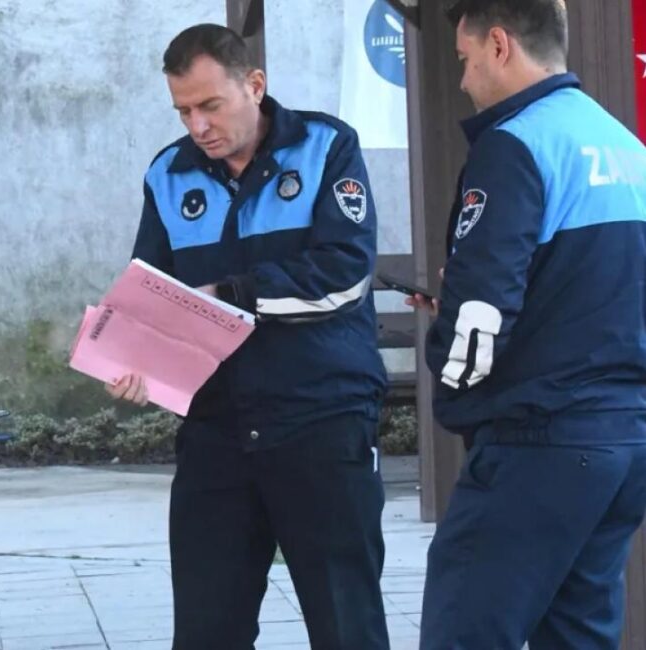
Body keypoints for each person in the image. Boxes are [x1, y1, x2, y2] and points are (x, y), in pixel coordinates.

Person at [108, 24, 389, 650]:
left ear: (254, 86)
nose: (197, 125)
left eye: (210, 105)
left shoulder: (325, 147)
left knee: (348, 628)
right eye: (183, 110)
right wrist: (130, 356)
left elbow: (344, 274)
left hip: (321, 420)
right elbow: (152, 291)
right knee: (207, 632)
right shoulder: (168, 173)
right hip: (216, 430)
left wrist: (232, 294)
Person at [409, 1, 646, 648]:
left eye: (464, 60)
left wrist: (459, 387)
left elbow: (479, 318)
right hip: (623, 442)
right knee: (576, 636)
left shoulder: (513, 146)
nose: (462, 81)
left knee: (465, 631)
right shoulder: (626, 146)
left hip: (537, 442)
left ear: (500, 45)